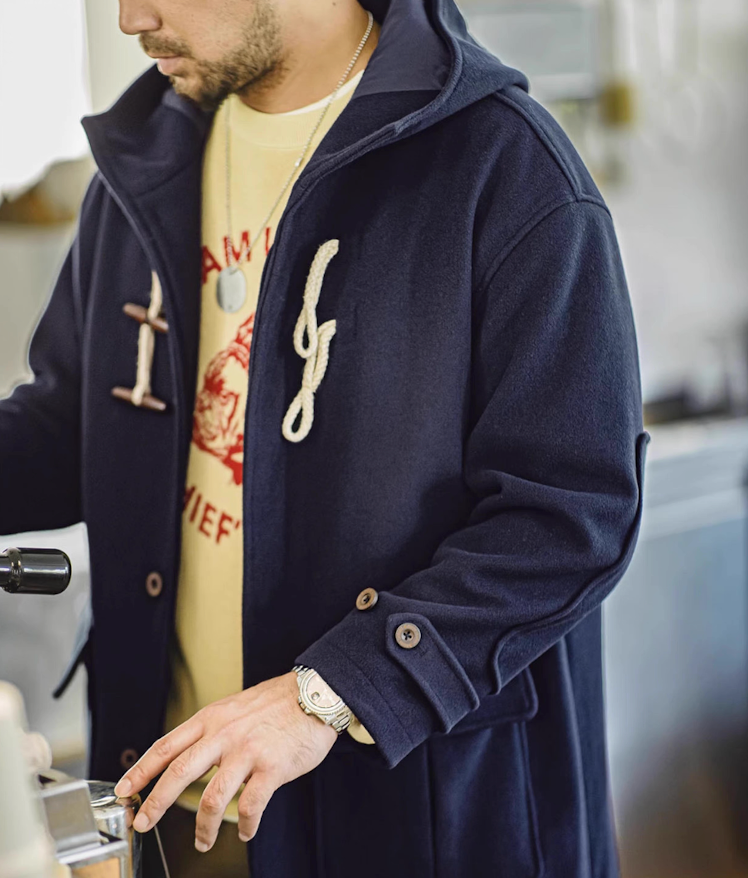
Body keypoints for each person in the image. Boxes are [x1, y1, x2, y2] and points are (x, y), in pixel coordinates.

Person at [0, 0, 649, 873]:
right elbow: (67, 427)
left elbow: (569, 515)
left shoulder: (506, 169)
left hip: (415, 827)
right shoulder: (144, 163)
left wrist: (331, 694)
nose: (129, 17)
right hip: (168, 813)